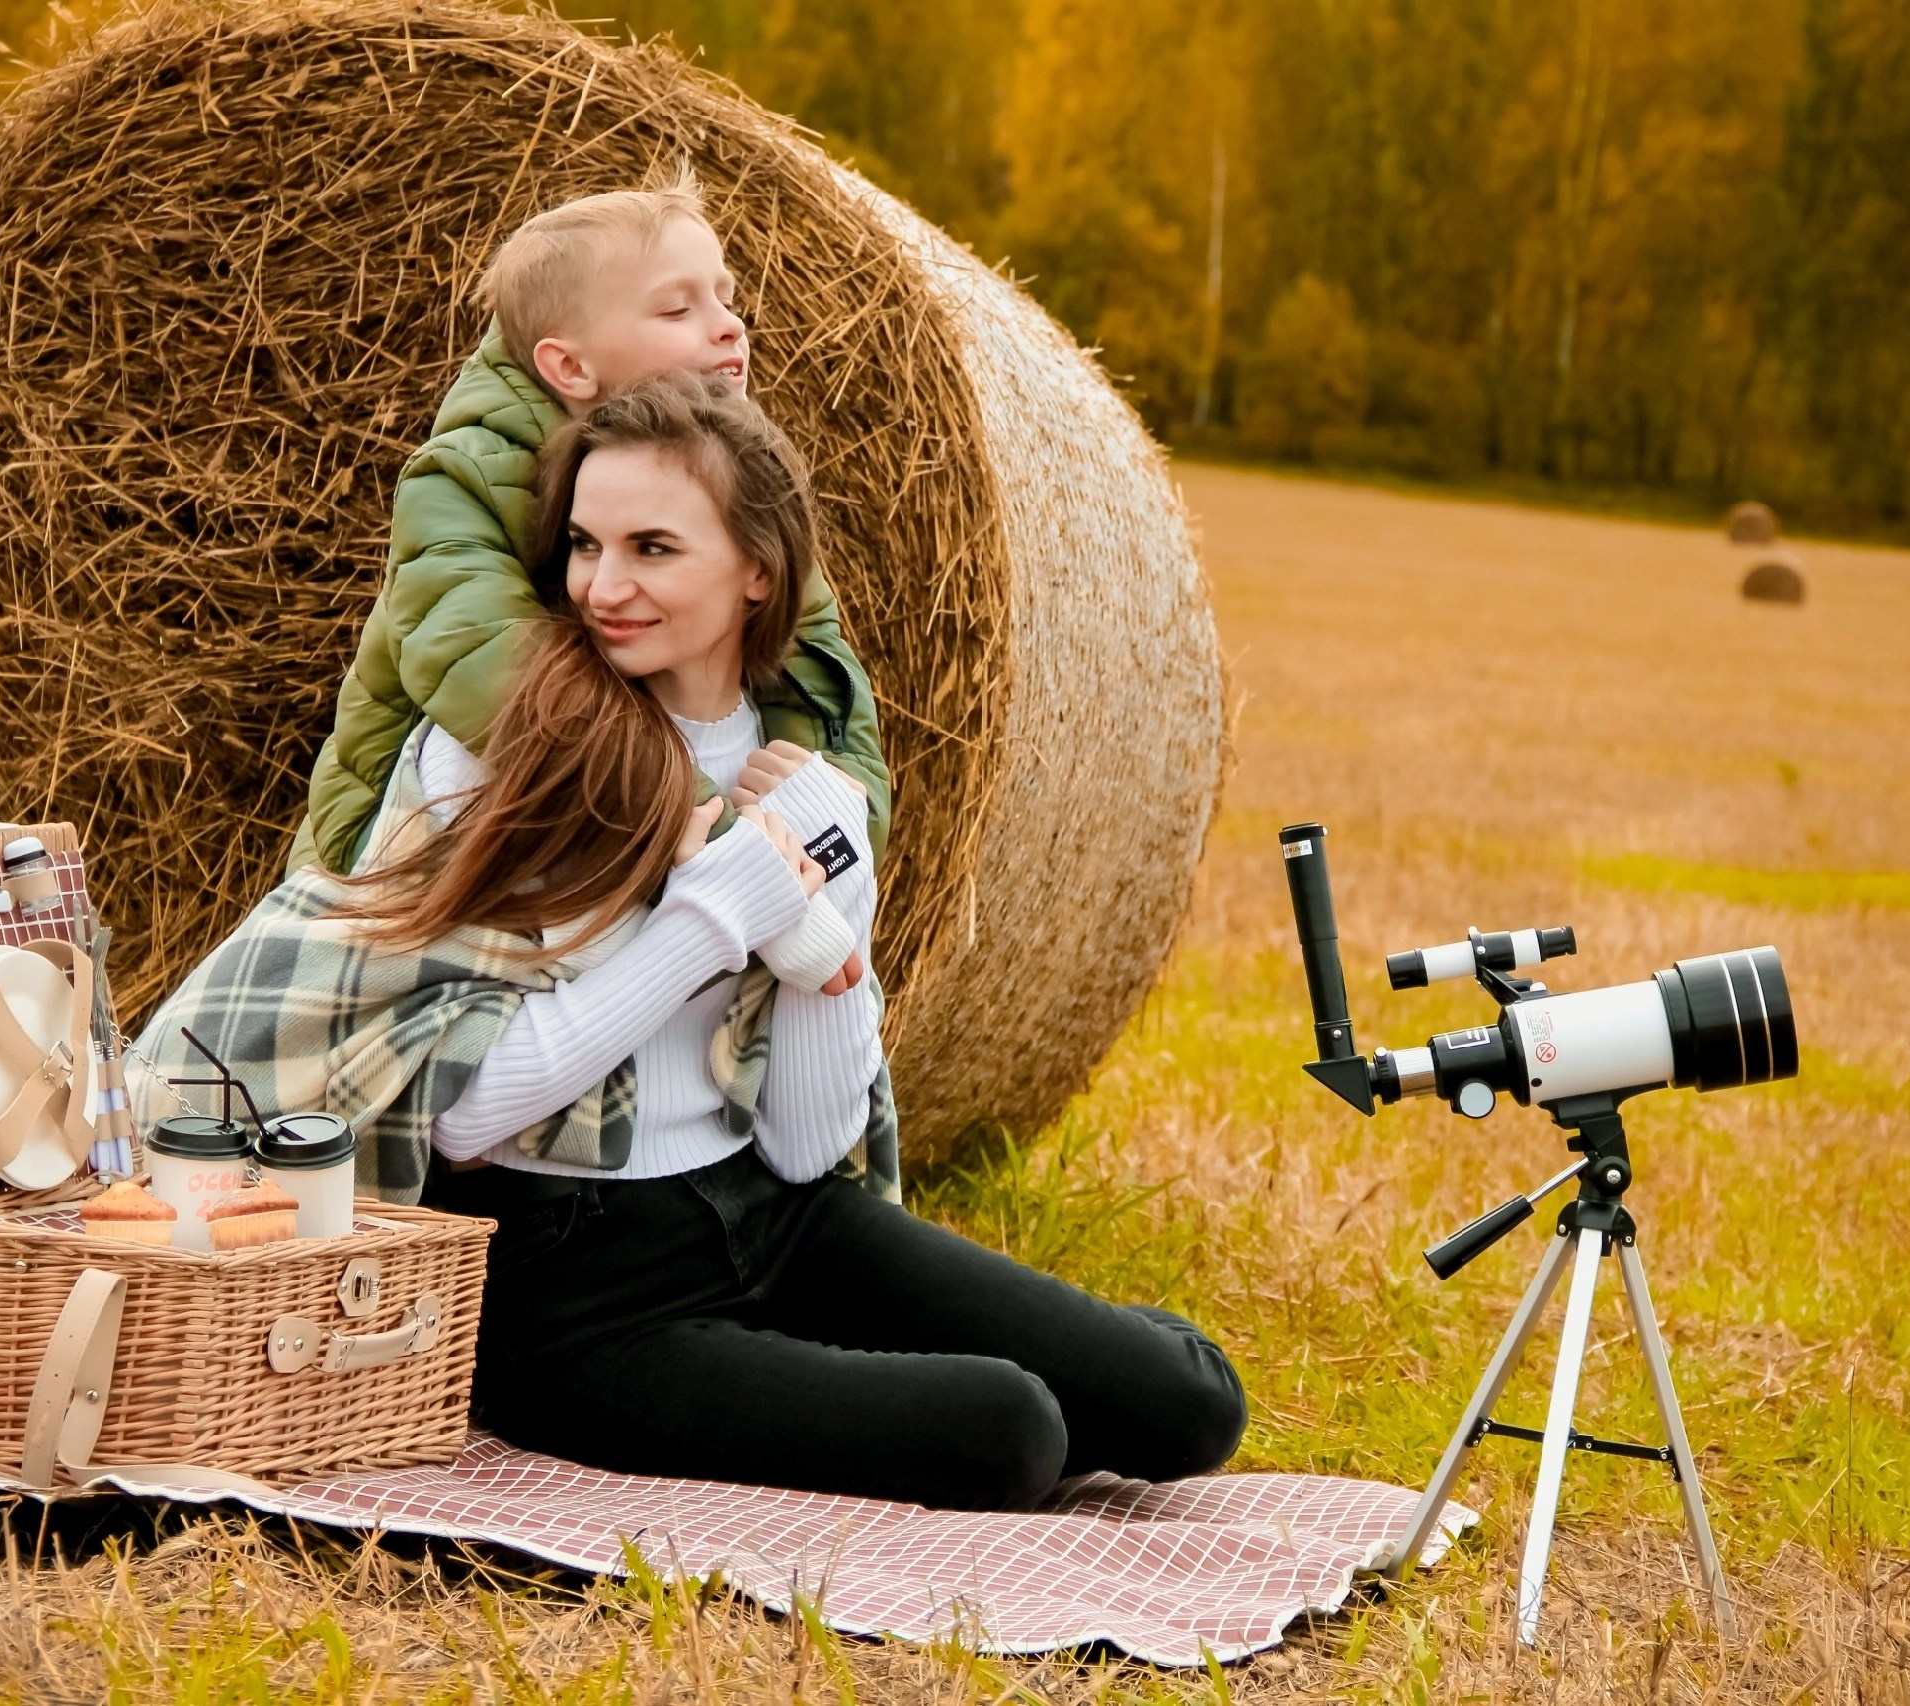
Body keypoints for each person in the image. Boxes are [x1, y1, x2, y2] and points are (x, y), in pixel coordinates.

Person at [340, 377, 1245, 1511]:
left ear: (756, 568)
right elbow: (464, 1117)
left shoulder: (798, 771)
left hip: (771, 1208)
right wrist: (713, 915)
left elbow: (812, 1144)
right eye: (582, 543)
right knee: (1009, 1430)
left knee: (1186, 1405)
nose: (602, 586)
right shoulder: (506, 747)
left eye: (652, 547)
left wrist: (825, 927)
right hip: (567, 1282)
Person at [287, 165, 891, 902]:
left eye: (726, 299)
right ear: (570, 367)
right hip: (409, 855)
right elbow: (481, 659)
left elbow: (817, 674)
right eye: (677, 311)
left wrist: (834, 826)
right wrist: (725, 836)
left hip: (620, 813)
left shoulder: (731, 486)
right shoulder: (465, 473)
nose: (730, 325)